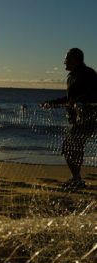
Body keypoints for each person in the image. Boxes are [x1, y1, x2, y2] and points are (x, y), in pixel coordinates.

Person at [42, 48, 97, 189]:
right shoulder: (71, 76)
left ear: (76, 60)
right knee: (75, 148)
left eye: (66, 58)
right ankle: (77, 179)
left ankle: (77, 179)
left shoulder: (88, 73)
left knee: (68, 146)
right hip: (75, 119)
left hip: (88, 118)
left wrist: (82, 102)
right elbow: (69, 99)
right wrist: (51, 103)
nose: (64, 61)